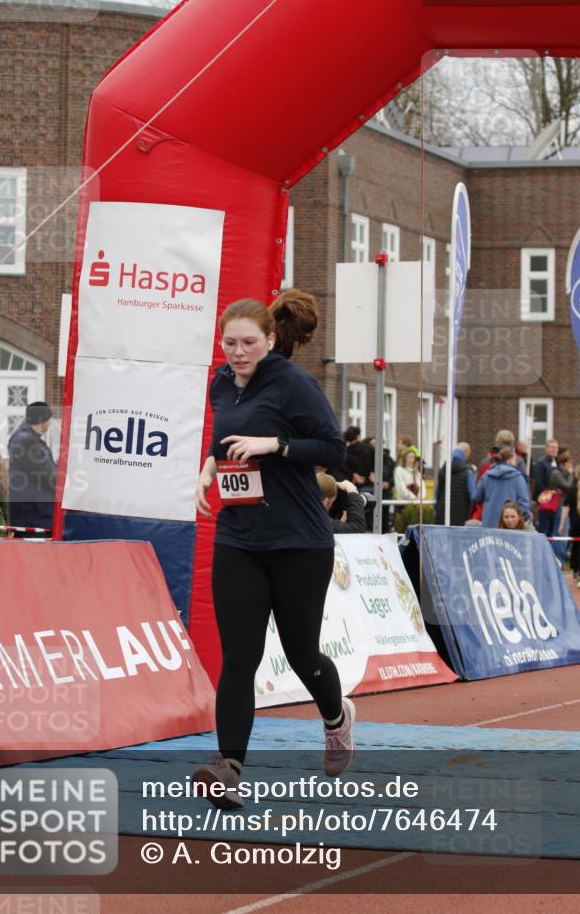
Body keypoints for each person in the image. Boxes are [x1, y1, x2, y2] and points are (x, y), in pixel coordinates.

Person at [192, 291, 353, 808]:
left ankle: (336, 716)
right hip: (239, 536)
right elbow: (225, 442)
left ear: (269, 340)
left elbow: (333, 450)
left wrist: (276, 447)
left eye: (248, 343)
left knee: (302, 653)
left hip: (299, 539)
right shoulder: (221, 383)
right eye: (230, 343)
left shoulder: (292, 383)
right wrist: (209, 470)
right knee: (239, 656)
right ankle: (228, 769)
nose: (238, 352)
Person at [8, 402, 57, 529]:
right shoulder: (28, 442)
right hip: (34, 515)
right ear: (42, 420)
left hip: (31, 512)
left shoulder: (23, 438)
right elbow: (47, 474)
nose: (50, 423)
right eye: (49, 419)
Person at [472, 447, 531, 528]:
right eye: (515, 458)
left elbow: (476, 497)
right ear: (510, 460)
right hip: (510, 526)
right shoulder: (518, 477)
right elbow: (524, 504)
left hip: (488, 523)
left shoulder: (487, 475)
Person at [434, 446, 475, 526]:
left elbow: (437, 492)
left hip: (443, 512)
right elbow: (472, 494)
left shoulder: (443, 471)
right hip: (461, 513)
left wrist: (437, 507)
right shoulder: (467, 473)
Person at [533, 439, 560, 535]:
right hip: (545, 502)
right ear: (546, 449)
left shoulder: (557, 462)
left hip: (555, 502)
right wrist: (547, 496)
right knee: (543, 529)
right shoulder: (540, 463)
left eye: (556, 447)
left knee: (552, 530)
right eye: (552, 447)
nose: (554, 450)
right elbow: (539, 482)